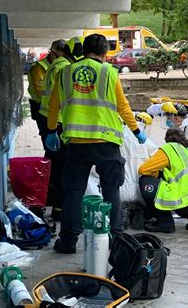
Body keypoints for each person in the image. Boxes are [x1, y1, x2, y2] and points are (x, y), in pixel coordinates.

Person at [45, 33, 147, 253]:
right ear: (105, 53)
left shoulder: (65, 73)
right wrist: (137, 131)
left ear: (83, 51)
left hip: (76, 143)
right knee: (111, 192)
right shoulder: (109, 73)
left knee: (74, 193)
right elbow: (123, 107)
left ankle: (68, 241)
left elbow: (54, 106)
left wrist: (52, 131)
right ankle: (116, 240)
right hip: (106, 143)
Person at [37, 37, 84, 220]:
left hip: (49, 120)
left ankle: (52, 201)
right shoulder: (64, 69)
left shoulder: (55, 65)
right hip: (56, 122)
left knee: (54, 165)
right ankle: (59, 208)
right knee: (62, 168)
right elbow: (60, 99)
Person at [138, 128, 188, 233]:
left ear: (167, 140)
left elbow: (143, 169)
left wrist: (158, 174)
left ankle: (165, 222)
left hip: (187, 203)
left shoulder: (169, 148)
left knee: (145, 180)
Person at [28, 40, 65, 134]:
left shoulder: (63, 66)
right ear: (51, 52)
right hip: (43, 112)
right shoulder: (39, 67)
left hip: (58, 113)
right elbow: (40, 92)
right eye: (59, 54)